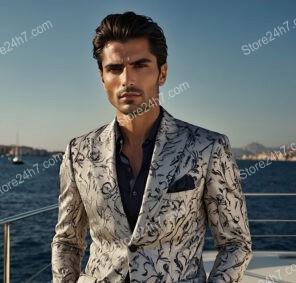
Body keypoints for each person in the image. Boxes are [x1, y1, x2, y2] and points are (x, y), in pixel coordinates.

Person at [51, 11, 252, 283]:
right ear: (101, 76)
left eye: (140, 65)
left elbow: (235, 243)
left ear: (162, 73)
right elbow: (67, 242)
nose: (127, 80)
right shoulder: (79, 153)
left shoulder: (208, 148)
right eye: (114, 68)